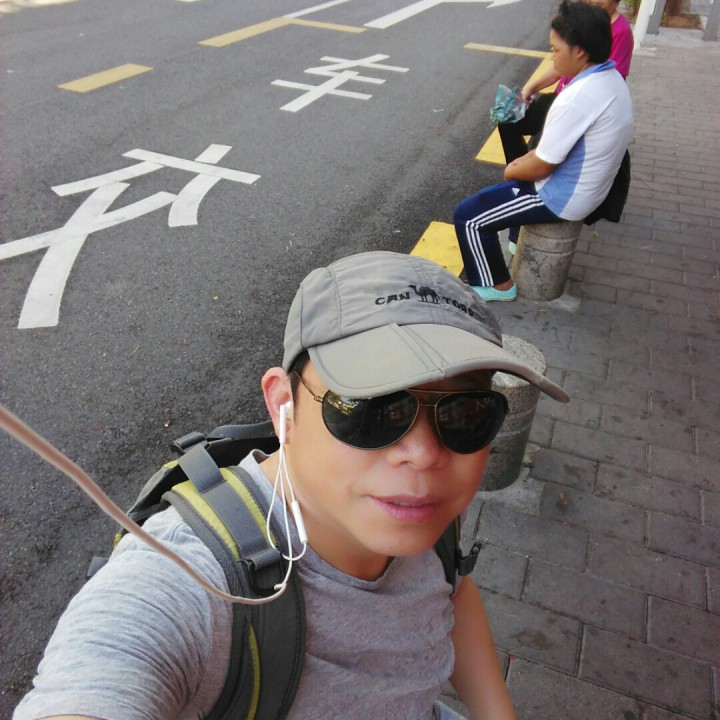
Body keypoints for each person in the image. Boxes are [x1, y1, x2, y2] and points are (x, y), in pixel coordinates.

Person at [13, 251, 569, 720]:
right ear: (284, 404)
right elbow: (102, 671)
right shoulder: (190, 582)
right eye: (373, 408)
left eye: (467, 412)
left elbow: (451, 586)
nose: (425, 455)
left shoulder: (419, 505)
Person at [453, 0, 633, 302]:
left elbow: (541, 166)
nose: (552, 57)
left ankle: (496, 285)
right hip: (589, 188)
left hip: (564, 198)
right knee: (506, 191)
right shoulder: (610, 78)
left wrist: (510, 170)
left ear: (579, 51)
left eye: (555, 50)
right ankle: (513, 239)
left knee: (469, 216)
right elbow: (547, 154)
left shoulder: (577, 97)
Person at [497, 0, 633, 215]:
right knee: (509, 120)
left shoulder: (621, 32)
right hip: (562, 99)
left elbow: (605, 79)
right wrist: (530, 88)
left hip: (577, 108)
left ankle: (524, 183)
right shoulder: (581, 19)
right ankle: (521, 180)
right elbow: (560, 61)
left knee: (545, 150)